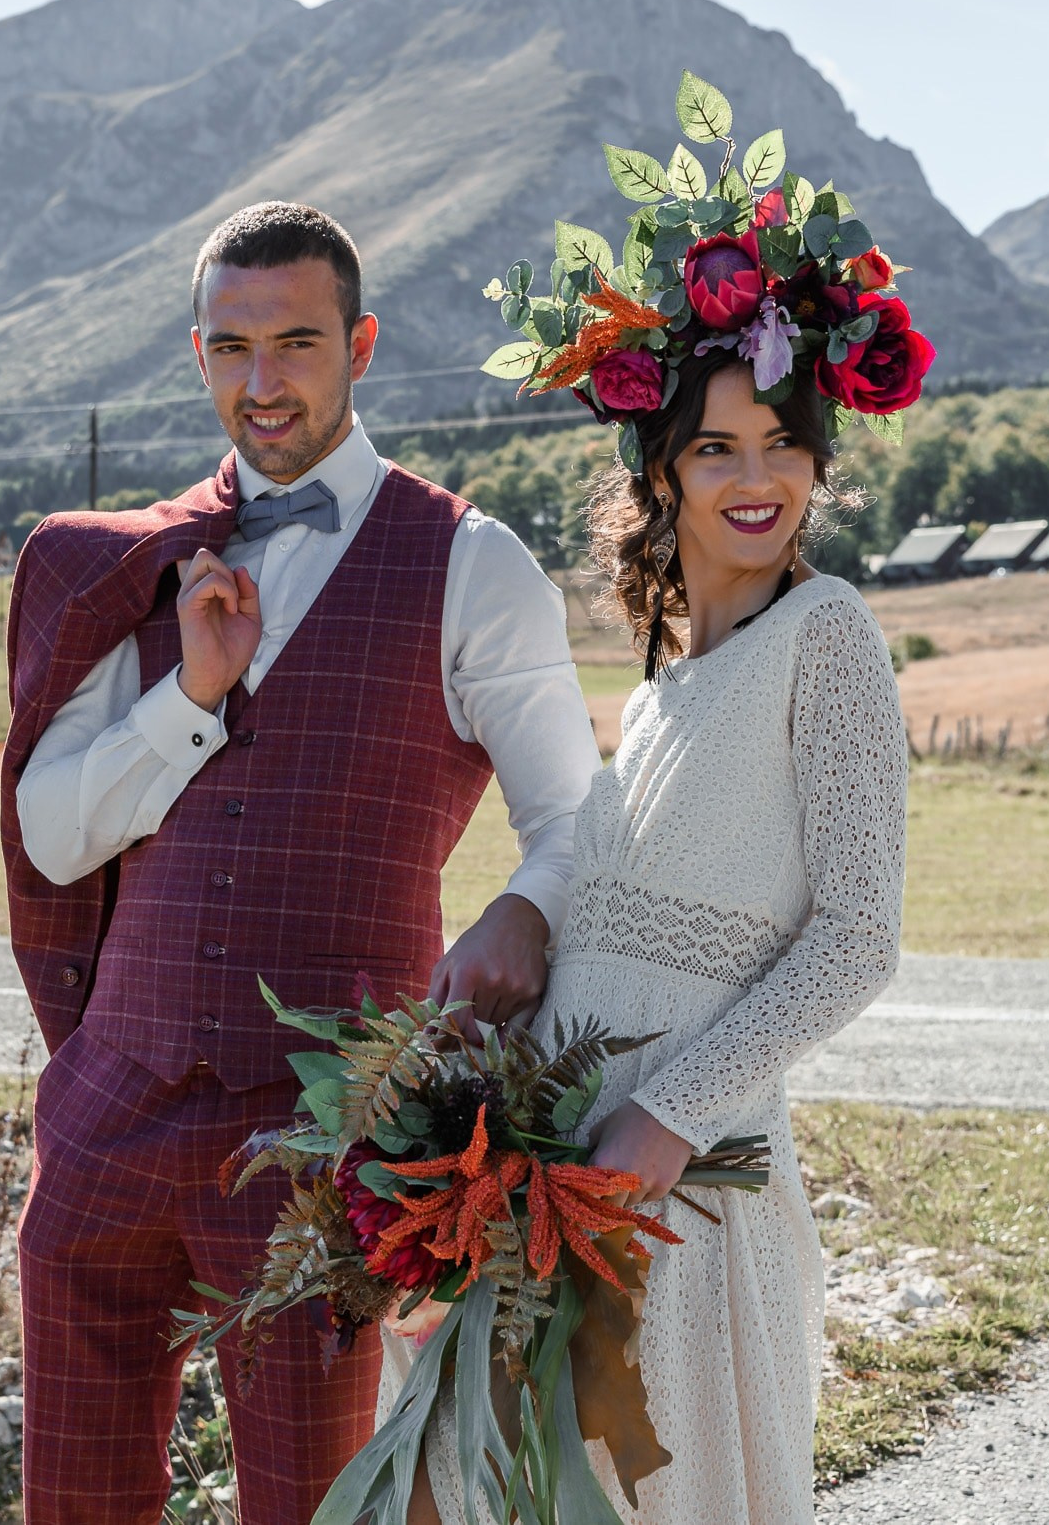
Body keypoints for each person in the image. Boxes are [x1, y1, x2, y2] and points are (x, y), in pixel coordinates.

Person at [0, 200, 602, 1525]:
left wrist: (523, 908)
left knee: (315, 1509)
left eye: (296, 344)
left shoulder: (473, 565)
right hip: (108, 1118)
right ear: (197, 353)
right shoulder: (132, 570)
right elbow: (51, 837)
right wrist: (188, 700)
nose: (261, 383)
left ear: (363, 345)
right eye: (230, 347)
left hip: (326, 1149)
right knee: (74, 1506)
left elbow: (579, 820)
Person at [382, 90, 928, 1522]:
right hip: (560, 1167)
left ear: (818, 459)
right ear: (660, 471)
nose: (757, 480)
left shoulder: (834, 639)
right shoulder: (672, 682)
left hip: (681, 1186)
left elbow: (860, 938)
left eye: (782, 446)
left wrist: (669, 1120)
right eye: (715, 450)